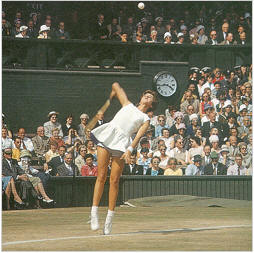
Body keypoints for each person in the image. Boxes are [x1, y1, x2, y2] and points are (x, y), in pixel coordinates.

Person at [90, 82, 157, 235]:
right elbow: (115, 84)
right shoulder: (127, 104)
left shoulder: (146, 118)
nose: (148, 97)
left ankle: (109, 219)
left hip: (122, 144)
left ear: (152, 104)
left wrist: (129, 150)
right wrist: (113, 93)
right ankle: (93, 213)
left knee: (114, 181)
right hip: (107, 135)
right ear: (141, 97)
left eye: (151, 97)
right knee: (101, 176)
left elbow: (138, 136)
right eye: (146, 95)